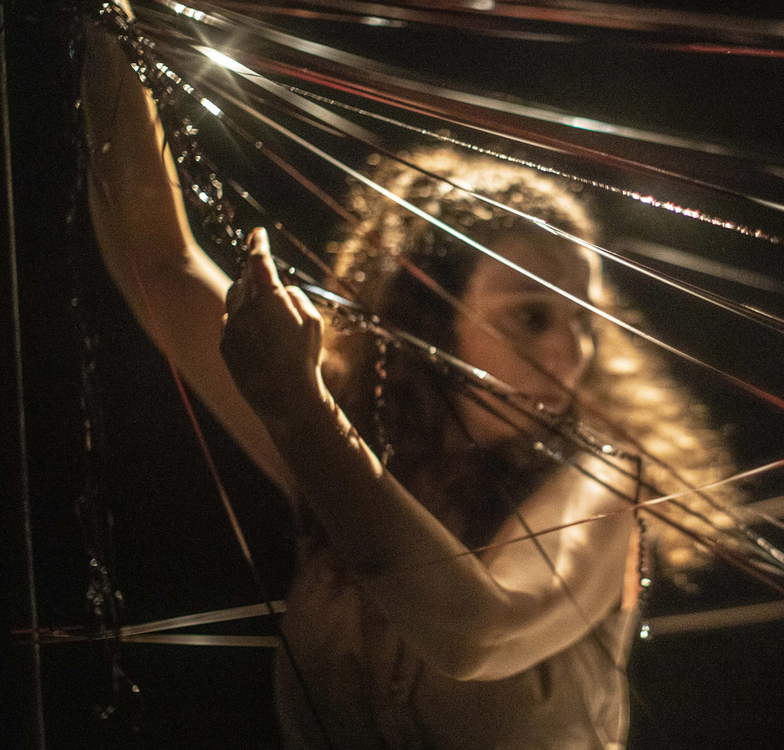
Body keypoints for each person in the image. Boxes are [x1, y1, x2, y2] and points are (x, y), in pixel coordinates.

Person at [84, 23, 738, 750]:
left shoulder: (603, 478)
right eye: (530, 316)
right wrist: (110, 22)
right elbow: (155, 255)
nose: (572, 349)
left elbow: (477, 637)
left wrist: (302, 414)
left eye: (585, 320)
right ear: (428, 320)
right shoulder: (352, 441)